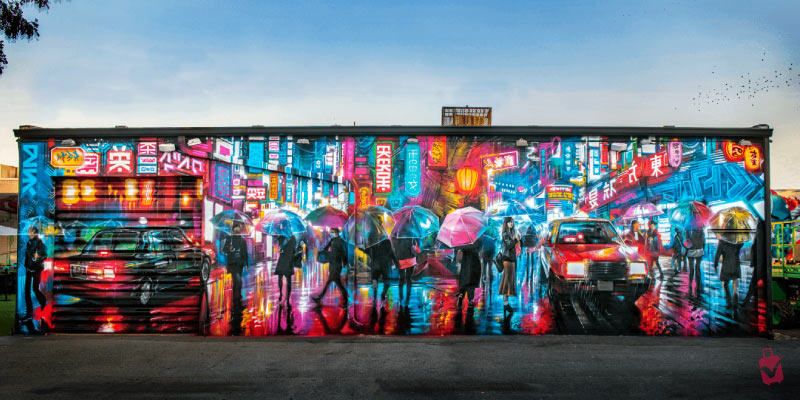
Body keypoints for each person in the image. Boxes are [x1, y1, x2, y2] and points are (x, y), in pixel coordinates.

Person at [222, 222, 248, 335]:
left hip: (240, 263)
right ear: (233, 229)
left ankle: (237, 295)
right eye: (236, 228)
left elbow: (245, 253)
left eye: (239, 228)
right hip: (232, 264)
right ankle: (236, 300)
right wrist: (229, 248)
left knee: (239, 280)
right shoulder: (229, 239)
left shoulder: (242, 240)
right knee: (237, 280)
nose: (237, 230)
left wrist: (246, 263)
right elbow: (225, 250)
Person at [312, 227, 349, 308]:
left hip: (337, 265)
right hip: (332, 264)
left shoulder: (341, 242)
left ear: (336, 233)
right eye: (330, 232)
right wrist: (320, 251)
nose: (330, 233)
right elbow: (325, 249)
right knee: (334, 282)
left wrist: (344, 265)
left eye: (332, 232)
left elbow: (343, 254)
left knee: (334, 282)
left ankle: (346, 299)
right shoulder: (332, 240)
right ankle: (345, 299)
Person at [23, 226, 47, 322]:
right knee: (27, 291)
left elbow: (44, 255)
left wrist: (36, 259)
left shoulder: (39, 242)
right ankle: (29, 313)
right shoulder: (29, 242)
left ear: (34, 232)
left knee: (35, 289)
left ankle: (43, 303)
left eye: (29, 232)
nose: (28, 234)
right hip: (29, 268)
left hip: (36, 269)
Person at [366, 239, 400, 309]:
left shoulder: (374, 244)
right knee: (386, 282)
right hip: (385, 266)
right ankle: (383, 294)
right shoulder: (387, 242)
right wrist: (397, 264)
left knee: (375, 281)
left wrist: (362, 248)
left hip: (375, 266)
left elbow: (368, 251)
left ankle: (375, 297)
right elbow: (392, 254)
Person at [456, 241, 481, 329]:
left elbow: (461, 250)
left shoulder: (463, 240)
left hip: (466, 263)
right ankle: (470, 300)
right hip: (474, 263)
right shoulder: (476, 237)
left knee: (464, 281)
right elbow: (479, 248)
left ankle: (461, 295)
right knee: (472, 283)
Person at [714, 239, 745, 309]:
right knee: (735, 285)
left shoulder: (722, 241)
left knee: (725, 285)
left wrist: (715, 263)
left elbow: (718, 253)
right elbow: (741, 244)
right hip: (735, 266)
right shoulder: (736, 240)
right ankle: (735, 299)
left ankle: (729, 301)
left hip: (726, 266)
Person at [498, 217, 520, 314]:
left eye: (512, 222)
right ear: (506, 223)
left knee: (510, 280)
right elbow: (508, 245)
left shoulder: (513, 233)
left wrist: (519, 239)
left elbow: (516, 246)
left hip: (513, 259)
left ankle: (506, 303)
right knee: (506, 281)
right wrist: (515, 240)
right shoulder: (505, 234)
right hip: (507, 259)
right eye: (509, 222)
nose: (511, 223)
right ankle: (505, 303)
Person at [392, 237, 419, 308]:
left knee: (401, 278)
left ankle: (401, 298)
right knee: (408, 278)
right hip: (410, 259)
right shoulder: (411, 234)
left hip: (400, 258)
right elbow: (415, 246)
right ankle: (407, 299)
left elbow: (394, 246)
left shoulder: (396, 235)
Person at [274, 226, 297, 307]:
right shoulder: (293, 238)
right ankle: (287, 298)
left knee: (280, 278)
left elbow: (280, 248)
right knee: (289, 281)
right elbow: (294, 250)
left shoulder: (282, 237)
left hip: (282, 260)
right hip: (289, 261)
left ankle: (281, 294)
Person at [686, 228, 706, 297]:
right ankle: (698, 283)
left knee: (691, 268)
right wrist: (702, 248)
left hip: (691, 250)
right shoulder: (701, 231)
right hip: (699, 250)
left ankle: (690, 283)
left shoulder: (688, 229)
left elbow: (687, 241)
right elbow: (704, 242)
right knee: (697, 267)